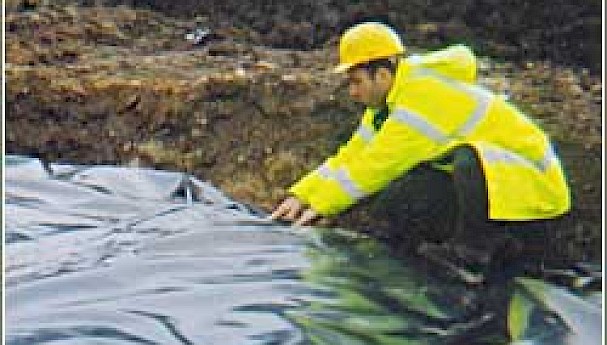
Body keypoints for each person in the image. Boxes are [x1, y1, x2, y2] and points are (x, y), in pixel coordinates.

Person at [270, 22, 570, 271]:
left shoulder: (420, 98)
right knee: (408, 194)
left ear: (383, 74)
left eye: (357, 81)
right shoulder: (386, 105)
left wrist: (322, 205)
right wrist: (302, 194)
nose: (352, 92)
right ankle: (483, 243)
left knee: (468, 159)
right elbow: (353, 155)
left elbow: (376, 165)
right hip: (505, 189)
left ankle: (473, 255)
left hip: (536, 191)